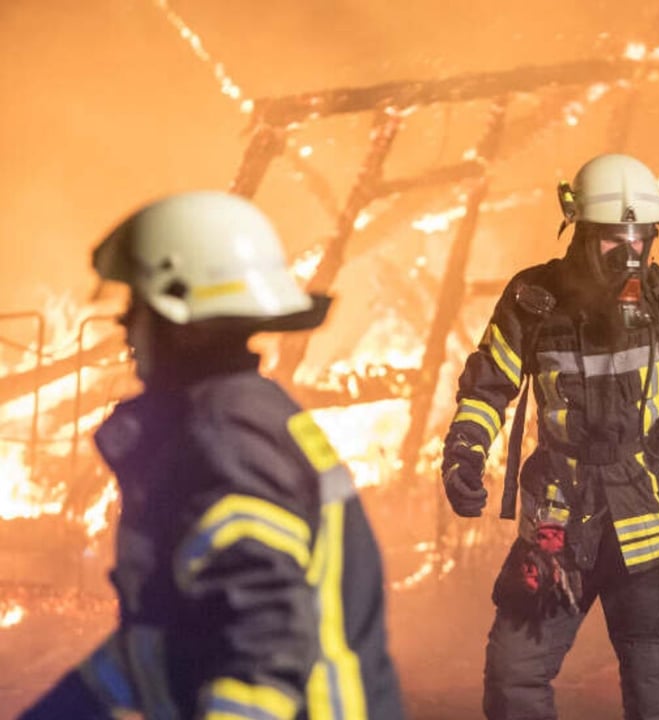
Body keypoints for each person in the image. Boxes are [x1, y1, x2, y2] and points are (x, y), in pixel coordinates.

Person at [20, 191, 405, 720]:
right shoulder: (220, 420)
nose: (124, 326)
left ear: (185, 320)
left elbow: (263, 643)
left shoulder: (227, 436)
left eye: (138, 306)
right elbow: (164, 641)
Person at [440, 153, 659, 719]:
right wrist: (464, 453)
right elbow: (488, 387)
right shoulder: (534, 301)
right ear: (580, 232)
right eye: (613, 238)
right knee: (512, 681)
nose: (630, 252)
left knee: (657, 706)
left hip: (651, 526)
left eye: (641, 237)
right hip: (559, 529)